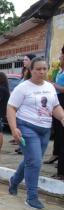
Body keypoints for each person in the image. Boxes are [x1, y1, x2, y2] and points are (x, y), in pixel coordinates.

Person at [7, 57, 64, 210]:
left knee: (31, 159)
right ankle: (32, 197)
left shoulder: (50, 87)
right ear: (30, 70)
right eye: (38, 69)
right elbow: (11, 108)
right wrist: (14, 128)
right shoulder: (23, 87)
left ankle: (14, 181)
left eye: (44, 69)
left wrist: (62, 117)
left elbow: (56, 106)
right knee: (35, 162)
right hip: (27, 127)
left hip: (45, 129)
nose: (41, 72)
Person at [51, 46, 64, 179]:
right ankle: (60, 171)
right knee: (59, 139)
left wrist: (55, 85)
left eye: (61, 56)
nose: (60, 58)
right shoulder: (59, 72)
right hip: (58, 107)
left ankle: (61, 172)